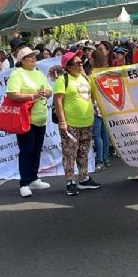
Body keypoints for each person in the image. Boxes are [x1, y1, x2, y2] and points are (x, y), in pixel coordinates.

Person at [6, 46, 52, 198]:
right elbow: (12, 95)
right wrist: (32, 96)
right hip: (26, 119)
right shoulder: (17, 73)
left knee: (37, 149)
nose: (34, 58)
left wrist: (46, 93)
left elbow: (49, 91)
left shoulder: (38, 73)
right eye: (30, 56)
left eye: (34, 56)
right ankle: (24, 183)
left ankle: (33, 178)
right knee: (26, 150)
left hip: (40, 118)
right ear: (22, 61)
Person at [53, 51, 101, 196]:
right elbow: (58, 101)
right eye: (77, 63)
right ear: (67, 66)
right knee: (70, 153)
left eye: (81, 62)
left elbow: (91, 95)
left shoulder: (84, 78)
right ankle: (70, 181)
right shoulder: (63, 80)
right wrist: (62, 122)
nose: (81, 65)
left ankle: (84, 178)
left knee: (83, 152)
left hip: (87, 122)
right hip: (71, 124)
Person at [90, 48, 111, 170]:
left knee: (97, 134)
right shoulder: (107, 72)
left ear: (94, 59)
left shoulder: (92, 74)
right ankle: (105, 158)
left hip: (96, 107)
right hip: (106, 106)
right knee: (104, 133)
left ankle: (99, 160)